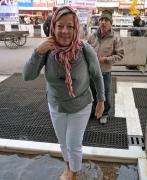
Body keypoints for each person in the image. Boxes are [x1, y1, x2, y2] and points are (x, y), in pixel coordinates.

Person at [23, 6, 105, 180]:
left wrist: (101, 100)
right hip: (56, 104)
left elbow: (97, 76)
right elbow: (27, 76)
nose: (65, 31)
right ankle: (69, 167)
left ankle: (73, 174)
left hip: (80, 104)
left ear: (76, 28)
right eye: (60, 26)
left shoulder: (84, 49)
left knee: (73, 144)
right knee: (62, 143)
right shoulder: (46, 51)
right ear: (53, 27)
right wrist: (38, 51)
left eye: (70, 26)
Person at [88, 10, 124, 124]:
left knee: (105, 94)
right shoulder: (92, 36)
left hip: (105, 72)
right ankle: (94, 110)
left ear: (111, 23)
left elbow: (120, 55)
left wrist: (106, 59)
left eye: (106, 20)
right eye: (101, 20)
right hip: (92, 71)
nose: (103, 22)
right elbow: (86, 51)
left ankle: (104, 113)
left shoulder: (115, 38)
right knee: (92, 93)